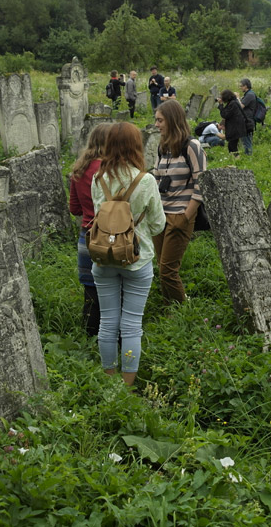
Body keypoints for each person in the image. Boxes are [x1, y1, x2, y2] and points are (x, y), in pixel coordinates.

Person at [91, 122, 166, 387]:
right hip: (137, 259)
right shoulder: (145, 181)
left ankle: (109, 382)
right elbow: (158, 225)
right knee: (132, 325)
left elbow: (99, 215)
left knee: (107, 321)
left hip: (103, 257)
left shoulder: (98, 178)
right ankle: (126, 387)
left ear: (108, 144)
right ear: (137, 146)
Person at [152, 99, 206, 304]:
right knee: (162, 266)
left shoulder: (191, 146)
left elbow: (202, 183)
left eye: (160, 120)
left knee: (168, 270)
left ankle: (181, 309)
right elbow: (157, 178)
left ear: (173, 120)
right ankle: (169, 306)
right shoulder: (162, 147)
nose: (156, 125)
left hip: (180, 214)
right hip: (160, 215)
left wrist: (186, 215)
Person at [68, 122, 112, 337]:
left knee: (91, 291)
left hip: (87, 236)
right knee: (114, 288)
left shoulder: (79, 170)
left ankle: (89, 338)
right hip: (111, 237)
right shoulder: (112, 169)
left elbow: (74, 209)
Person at [217, 90, 248, 158]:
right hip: (236, 127)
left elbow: (224, 115)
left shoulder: (232, 104)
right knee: (231, 145)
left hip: (235, 128)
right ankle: (234, 159)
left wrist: (221, 105)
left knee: (232, 146)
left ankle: (237, 159)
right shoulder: (233, 102)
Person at [238, 78, 257, 156]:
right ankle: (248, 155)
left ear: (245, 86)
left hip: (247, 121)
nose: (240, 88)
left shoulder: (249, 95)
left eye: (241, 86)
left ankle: (249, 156)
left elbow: (240, 106)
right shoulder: (249, 94)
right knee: (246, 140)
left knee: (247, 140)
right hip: (247, 120)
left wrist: (237, 98)